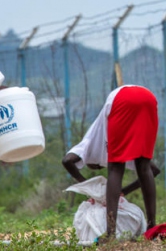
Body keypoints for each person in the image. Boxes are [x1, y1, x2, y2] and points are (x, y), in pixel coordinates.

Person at [62, 84, 159, 239]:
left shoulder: (89, 143)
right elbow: (154, 170)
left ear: (93, 162)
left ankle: (111, 234)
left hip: (121, 100)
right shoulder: (126, 147)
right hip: (148, 97)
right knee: (144, 166)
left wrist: (89, 187)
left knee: (115, 169)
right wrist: (123, 191)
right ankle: (152, 227)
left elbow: (67, 161)